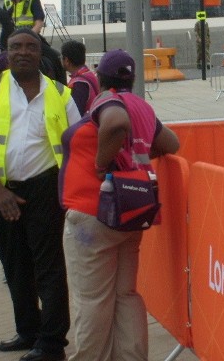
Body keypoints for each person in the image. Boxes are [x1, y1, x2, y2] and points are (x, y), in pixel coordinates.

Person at [0, 28, 81, 361]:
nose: (22, 51)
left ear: (40, 53)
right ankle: (28, 332)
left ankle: (52, 344)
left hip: (45, 190)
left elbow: (77, 147)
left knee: (49, 269)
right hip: (3, 192)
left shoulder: (61, 94)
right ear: (7, 53)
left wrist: (70, 195)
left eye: (30, 46)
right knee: (15, 267)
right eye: (15, 47)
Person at [60, 49, 180, 361]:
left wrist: (103, 164)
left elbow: (114, 124)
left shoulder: (107, 100)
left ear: (100, 78)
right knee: (125, 294)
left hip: (94, 211)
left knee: (92, 298)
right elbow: (172, 143)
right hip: (129, 210)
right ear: (133, 77)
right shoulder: (141, 105)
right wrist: (133, 155)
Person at [61, 40, 100, 115]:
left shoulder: (78, 84)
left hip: (86, 124)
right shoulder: (89, 74)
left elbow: (76, 113)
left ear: (66, 60)